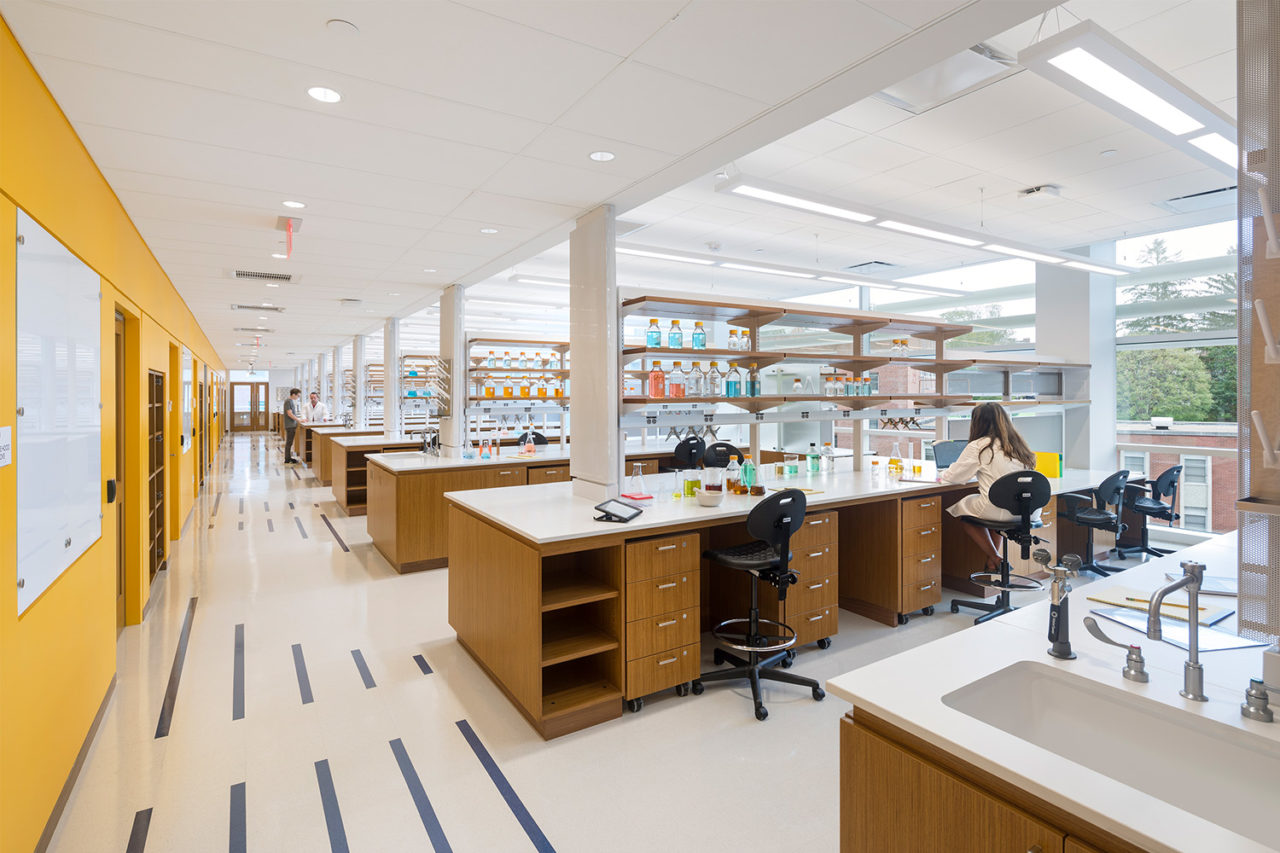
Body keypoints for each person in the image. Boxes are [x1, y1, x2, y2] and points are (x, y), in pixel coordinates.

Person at [939, 402, 1039, 571]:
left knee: (966, 514)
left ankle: (995, 557)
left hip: (1000, 510)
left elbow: (954, 477)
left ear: (978, 423)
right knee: (992, 512)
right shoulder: (1018, 445)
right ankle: (993, 562)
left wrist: (941, 473)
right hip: (1029, 510)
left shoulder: (980, 445)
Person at [283, 388, 302, 463]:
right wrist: (298, 420)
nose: (298, 397)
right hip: (290, 425)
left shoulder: (290, 401)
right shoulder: (288, 401)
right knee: (289, 442)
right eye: (298, 396)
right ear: (293, 394)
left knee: (290, 442)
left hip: (292, 425)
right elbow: (289, 413)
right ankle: (287, 459)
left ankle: (288, 458)